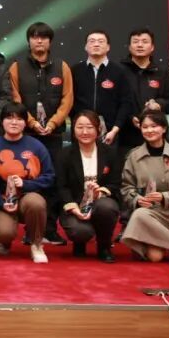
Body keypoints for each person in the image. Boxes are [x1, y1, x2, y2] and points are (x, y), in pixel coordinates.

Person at [7, 21, 72, 246]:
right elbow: (16, 100)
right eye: (35, 37)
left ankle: (50, 230)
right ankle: (30, 230)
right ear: (29, 41)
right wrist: (32, 123)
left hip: (54, 135)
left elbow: (67, 99)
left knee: (52, 181)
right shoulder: (16, 67)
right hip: (28, 135)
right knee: (28, 180)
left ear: (50, 41)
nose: (39, 41)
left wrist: (53, 123)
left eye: (43, 37)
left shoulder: (62, 66)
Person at [0, 103, 56, 263]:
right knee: (3, 232)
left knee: (36, 203)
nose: (14, 122)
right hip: (2, 200)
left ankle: (36, 244)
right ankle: (4, 242)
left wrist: (25, 184)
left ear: (25, 122)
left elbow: (49, 177)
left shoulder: (37, 146)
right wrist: (1, 203)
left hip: (27, 197)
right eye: (9, 118)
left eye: (19, 119)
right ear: (2, 121)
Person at [120, 111, 169, 266]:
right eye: (145, 127)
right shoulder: (133, 156)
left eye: (154, 126)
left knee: (139, 215)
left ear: (164, 128)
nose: (149, 130)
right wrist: (137, 199)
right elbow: (126, 187)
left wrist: (164, 197)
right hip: (145, 208)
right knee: (155, 257)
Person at [57, 111, 121, 263]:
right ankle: (79, 243)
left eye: (89, 127)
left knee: (107, 207)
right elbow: (61, 186)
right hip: (75, 204)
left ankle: (104, 246)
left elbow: (115, 183)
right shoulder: (64, 154)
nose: (85, 132)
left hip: (100, 202)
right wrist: (73, 208)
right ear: (73, 130)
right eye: (80, 127)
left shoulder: (110, 153)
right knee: (80, 232)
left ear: (98, 129)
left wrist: (101, 192)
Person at [70, 30, 136, 148]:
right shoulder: (75, 70)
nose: (96, 44)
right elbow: (68, 100)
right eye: (92, 41)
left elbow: (126, 102)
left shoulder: (120, 71)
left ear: (108, 47)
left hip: (110, 133)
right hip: (81, 131)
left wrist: (115, 129)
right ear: (85, 47)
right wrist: (76, 124)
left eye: (100, 41)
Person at [117, 27, 169, 156]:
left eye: (144, 41)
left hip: (156, 135)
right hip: (125, 136)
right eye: (135, 41)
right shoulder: (119, 71)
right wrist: (129, 117)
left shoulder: (161, 72)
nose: (140, 45)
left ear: (152, 47)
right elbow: (113, 101)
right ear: (129, 47)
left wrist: (159, 105)